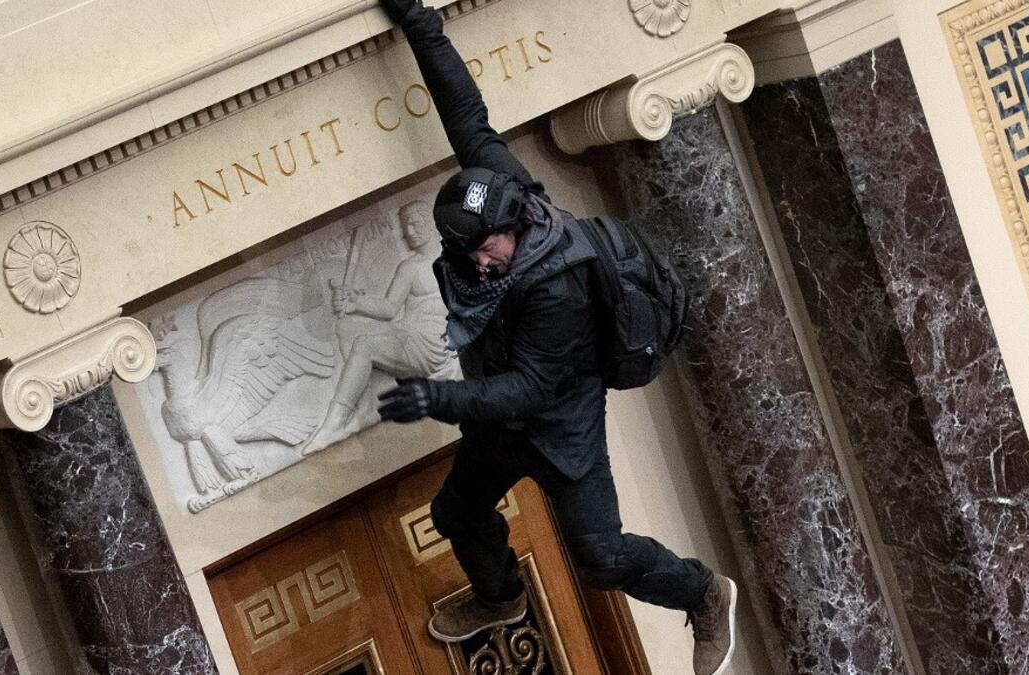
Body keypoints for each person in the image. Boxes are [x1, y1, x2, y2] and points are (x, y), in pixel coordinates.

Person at [373, 2, 737, 673]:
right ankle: (501, 596)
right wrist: (419, 23)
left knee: (599, 556)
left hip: (560, 424)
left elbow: (532, 385)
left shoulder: (556, 284)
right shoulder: (498, 188)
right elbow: (467, 114)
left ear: (514, 225)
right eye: (467, 252)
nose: (477, 262)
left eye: (486, 250)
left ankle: (703, 590)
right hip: (501, 418)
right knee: (457, 512)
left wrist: (435, 397)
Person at [303, 201, 455, 451]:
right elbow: (389, 308)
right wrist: (354, 302)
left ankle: (334, 424)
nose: (408, 232)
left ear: (431, 223)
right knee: (346, 328)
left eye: (414, 224)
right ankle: (361, 406)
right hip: (409, 333)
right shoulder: (410, 267)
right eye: (406, 227)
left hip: (435, 341)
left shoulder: (456, 258)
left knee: (364, 344)